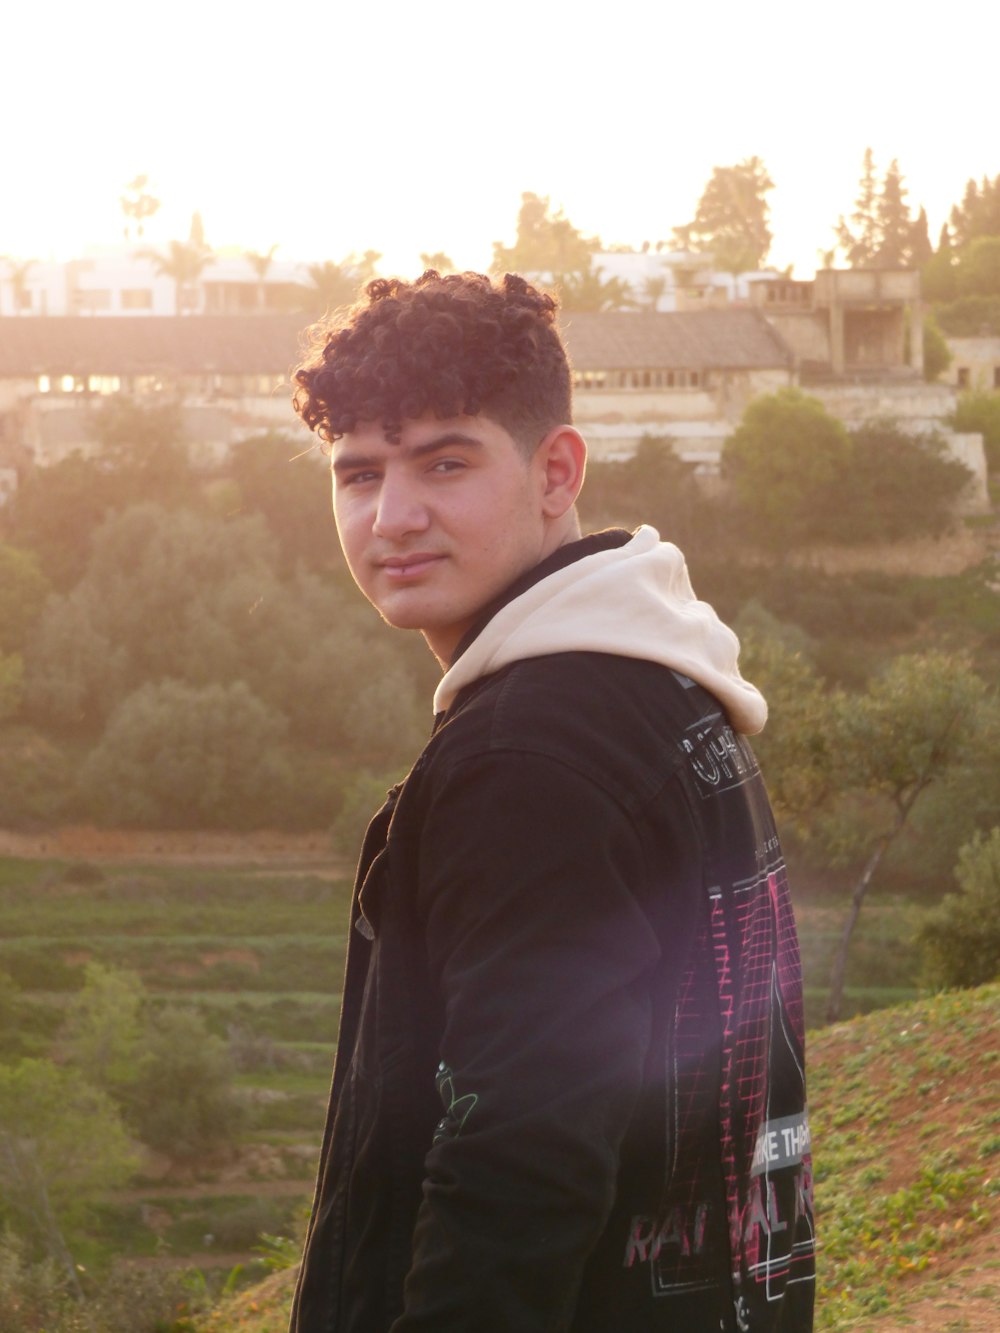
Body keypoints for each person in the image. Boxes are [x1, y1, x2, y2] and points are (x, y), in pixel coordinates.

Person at [288, 270, 815, 1333]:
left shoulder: (524, 762)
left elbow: (516, 1170)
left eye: (445, 462)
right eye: (358, 475)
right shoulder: (657, 689)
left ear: (554, 471)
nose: (393, 515)